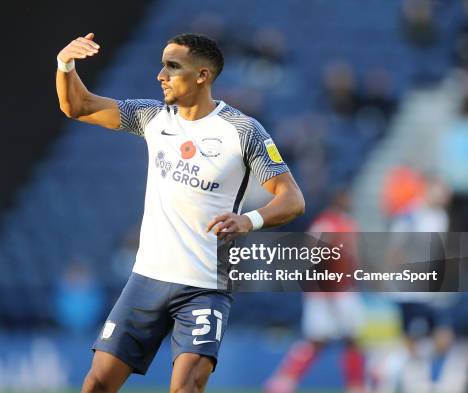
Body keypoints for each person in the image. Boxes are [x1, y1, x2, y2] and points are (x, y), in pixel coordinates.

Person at [56, 32, 305, 392]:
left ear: (202, 75)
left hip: (204, 286)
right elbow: (77, 106)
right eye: (162, 65)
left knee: (187, 386)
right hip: (147, 279)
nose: (161, 75)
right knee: (97, 383)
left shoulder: (242, 131)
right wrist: (65, 63)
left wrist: (248, 220)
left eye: (172, 67)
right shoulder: (153, 117)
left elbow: (292, 199)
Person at [265, 188, 365, 393]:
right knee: (324, 339)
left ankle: (355, 384)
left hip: (343, 289)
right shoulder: (326, 224)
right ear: (338, 199)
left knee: (346, 338)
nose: (350, 200)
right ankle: (284, 380)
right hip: (328, 292)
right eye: (347, 197)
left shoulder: (348, 224)